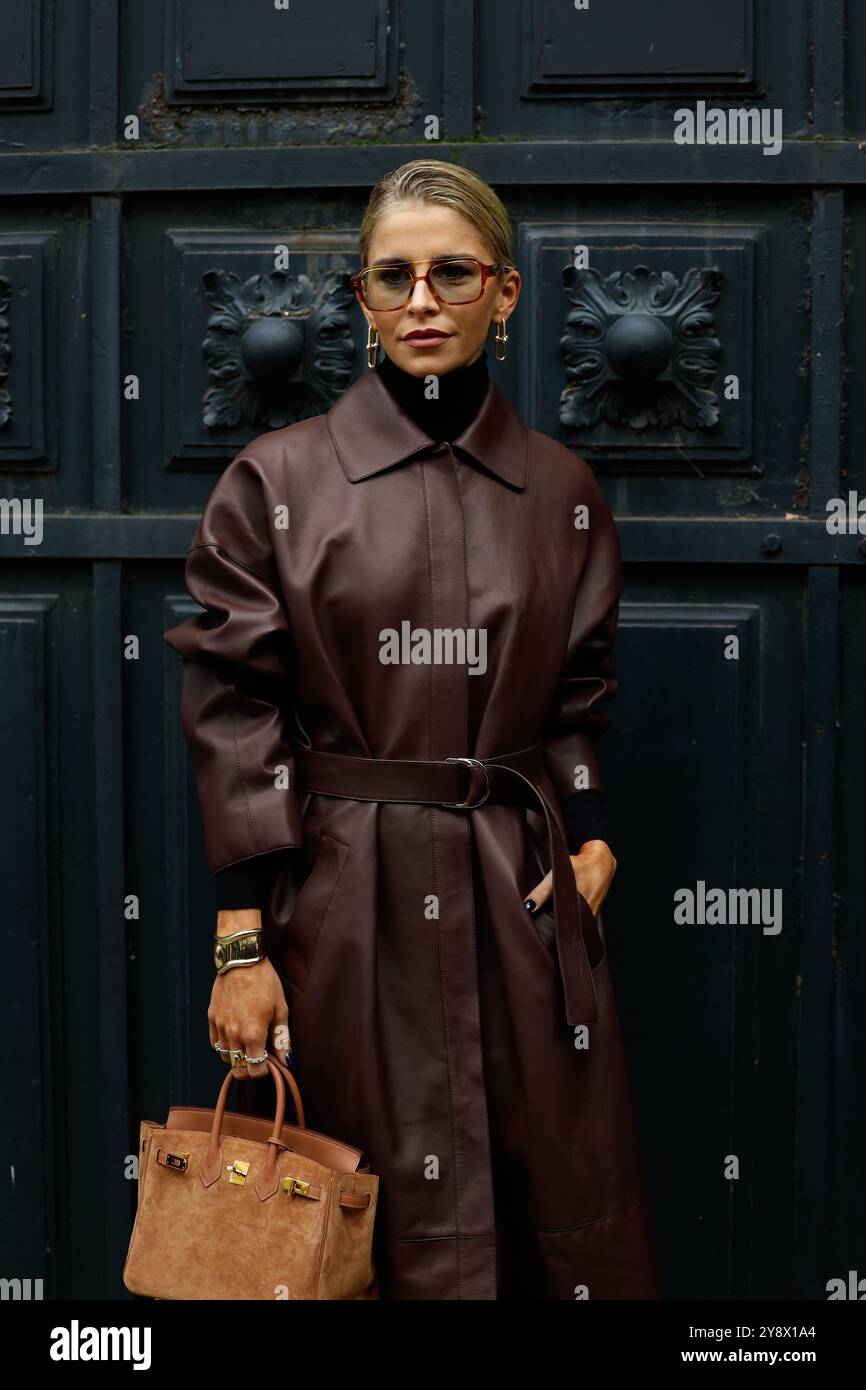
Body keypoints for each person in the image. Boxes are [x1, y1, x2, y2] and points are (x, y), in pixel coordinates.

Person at [164, 158, 661, 1300]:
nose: (422, 300)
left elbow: (579, 690)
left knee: (549, 1205)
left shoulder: (559, 489)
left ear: (505, 292)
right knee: (351, 1213)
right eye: (393, 277)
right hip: (344, 906)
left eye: (451, 272)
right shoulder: (276, 479)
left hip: (519, 899)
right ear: (361, 302)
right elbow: (235, 709)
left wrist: (588, 833)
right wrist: (241, 944)